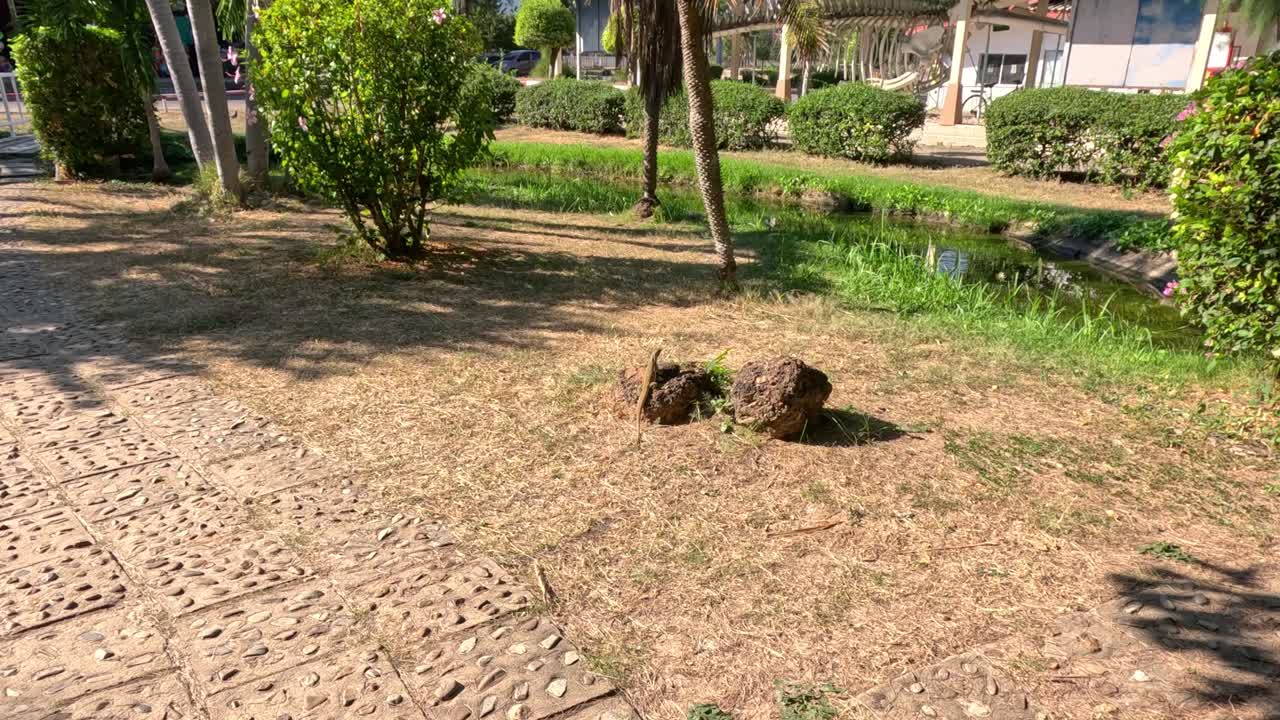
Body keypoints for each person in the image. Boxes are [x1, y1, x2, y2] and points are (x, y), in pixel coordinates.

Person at [174, 8, 199, 89]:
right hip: (186, 41)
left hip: (176, 42)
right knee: (188, 58)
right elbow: (190, 31)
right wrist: (191, 41)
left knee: (180, 59)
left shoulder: (172, 20)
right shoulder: (186, 20)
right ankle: (190, 73)